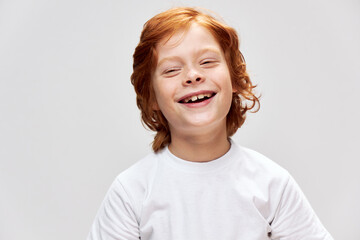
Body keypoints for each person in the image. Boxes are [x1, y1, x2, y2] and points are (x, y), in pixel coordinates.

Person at [87, 7, 333, 240]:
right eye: (172, 70)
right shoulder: (131, 192)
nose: (193, 75)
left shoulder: (272, 184)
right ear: (151, 97)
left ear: (235, 79)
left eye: (207, 62)